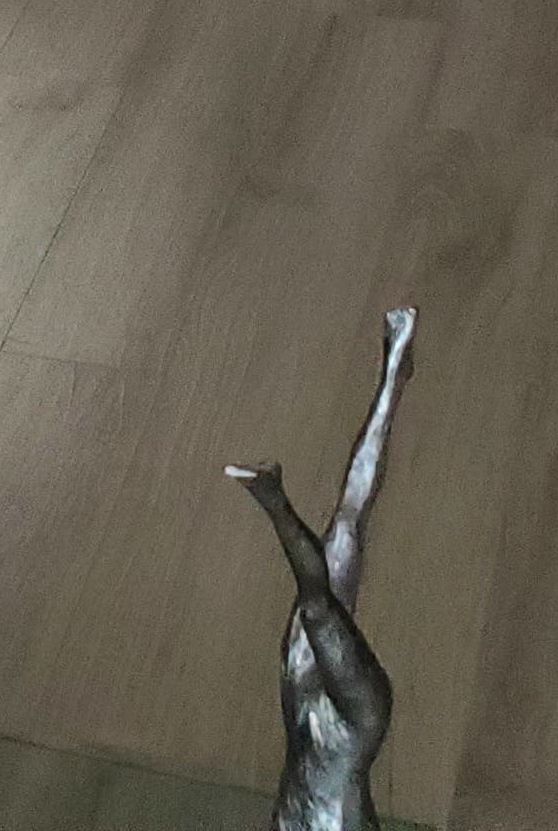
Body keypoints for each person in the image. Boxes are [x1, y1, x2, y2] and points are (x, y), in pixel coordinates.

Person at [225, 304, 418, 831]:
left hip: (310, 702)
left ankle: (394, 371)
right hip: (354, 718)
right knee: (323, 587)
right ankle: (273, 498)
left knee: (346, 531)